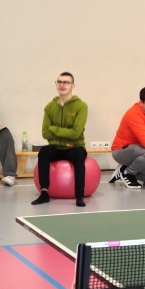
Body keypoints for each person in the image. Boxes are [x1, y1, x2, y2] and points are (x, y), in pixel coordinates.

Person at [32, 72, 88, 207]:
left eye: (66, 82)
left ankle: (79, 196)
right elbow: (45, 133)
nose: (62, 85)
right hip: (56, 147)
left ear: (73, 85)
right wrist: (63, 132)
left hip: (75, 146)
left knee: (78, 155)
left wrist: (54, 129)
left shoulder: (81, 106)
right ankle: (44, 192)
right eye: (59, 82)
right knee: (44, 152)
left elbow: (75, 133)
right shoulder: (49, 107)